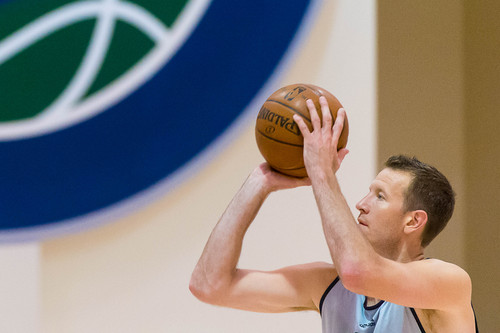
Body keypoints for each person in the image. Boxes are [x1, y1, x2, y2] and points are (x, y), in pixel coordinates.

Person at [189, 96, 478, 332]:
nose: (361, 204)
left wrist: (322, 173)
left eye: (379, 196)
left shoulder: (448, 283)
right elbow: (209, 285)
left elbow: (358, 273)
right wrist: (259, 182)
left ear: (413, 220)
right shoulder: (328, 285)